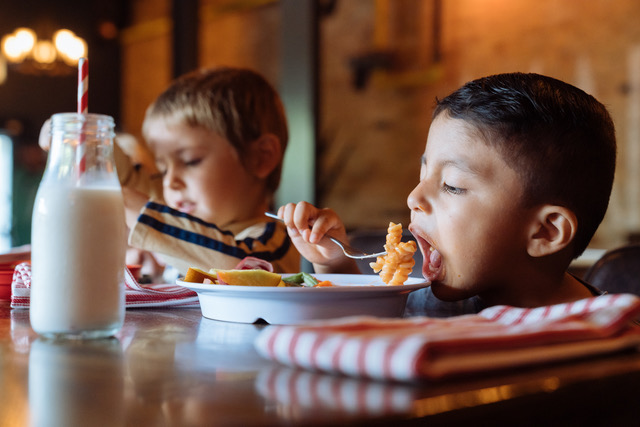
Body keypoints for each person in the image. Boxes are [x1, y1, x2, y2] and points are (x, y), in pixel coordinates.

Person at [277, 72, 616, 317]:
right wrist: (334, 262)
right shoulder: (430, 304)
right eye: (423, 174)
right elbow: (365, 326)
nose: (413, 197)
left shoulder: (614, 347)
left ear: (545, 231)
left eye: (452, 185)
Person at [124, 67, 300, 280]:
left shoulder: (275, 241)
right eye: (163, 170)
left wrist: (144, 217)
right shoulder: (189, 246)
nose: (170, 182)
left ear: (261, 157)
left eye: (191, 161)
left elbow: (240, 268)